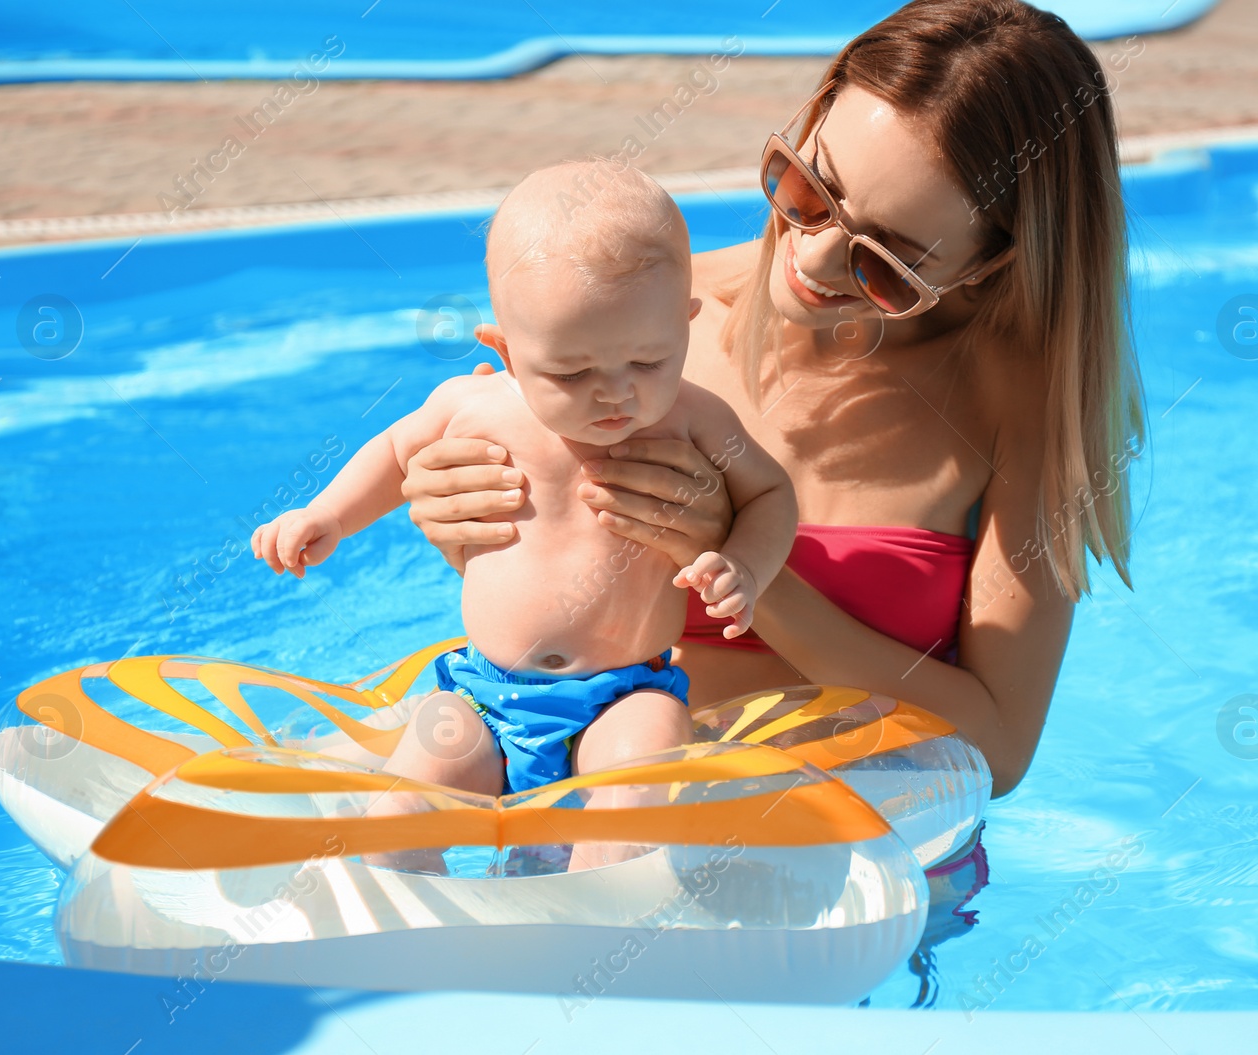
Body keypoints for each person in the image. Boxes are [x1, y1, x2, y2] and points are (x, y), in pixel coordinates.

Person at [394, 0, 1144, 797]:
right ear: (810, 117)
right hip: (582, 807)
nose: (814, 260)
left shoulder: (1018, 409)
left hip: (853, 874)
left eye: (887, 260)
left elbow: (998, 749)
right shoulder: (628, 331)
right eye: (809, 188)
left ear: (988, 263)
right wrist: (465, 515)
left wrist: (746, 559)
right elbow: (539, 610)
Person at [249, 160, 797, 800]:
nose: (615, 392)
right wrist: (328, 516)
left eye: (649, 361)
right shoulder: (474, 406)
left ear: (684, 326)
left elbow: (770, 492)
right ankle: (399, 881)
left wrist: (745, 567)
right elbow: (395, 452)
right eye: (569, 375)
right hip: (482, 694)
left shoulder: (696, 419)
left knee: (637, 786)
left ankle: (609, 885)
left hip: (629, 693)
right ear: (505, 351)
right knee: (409, 797)